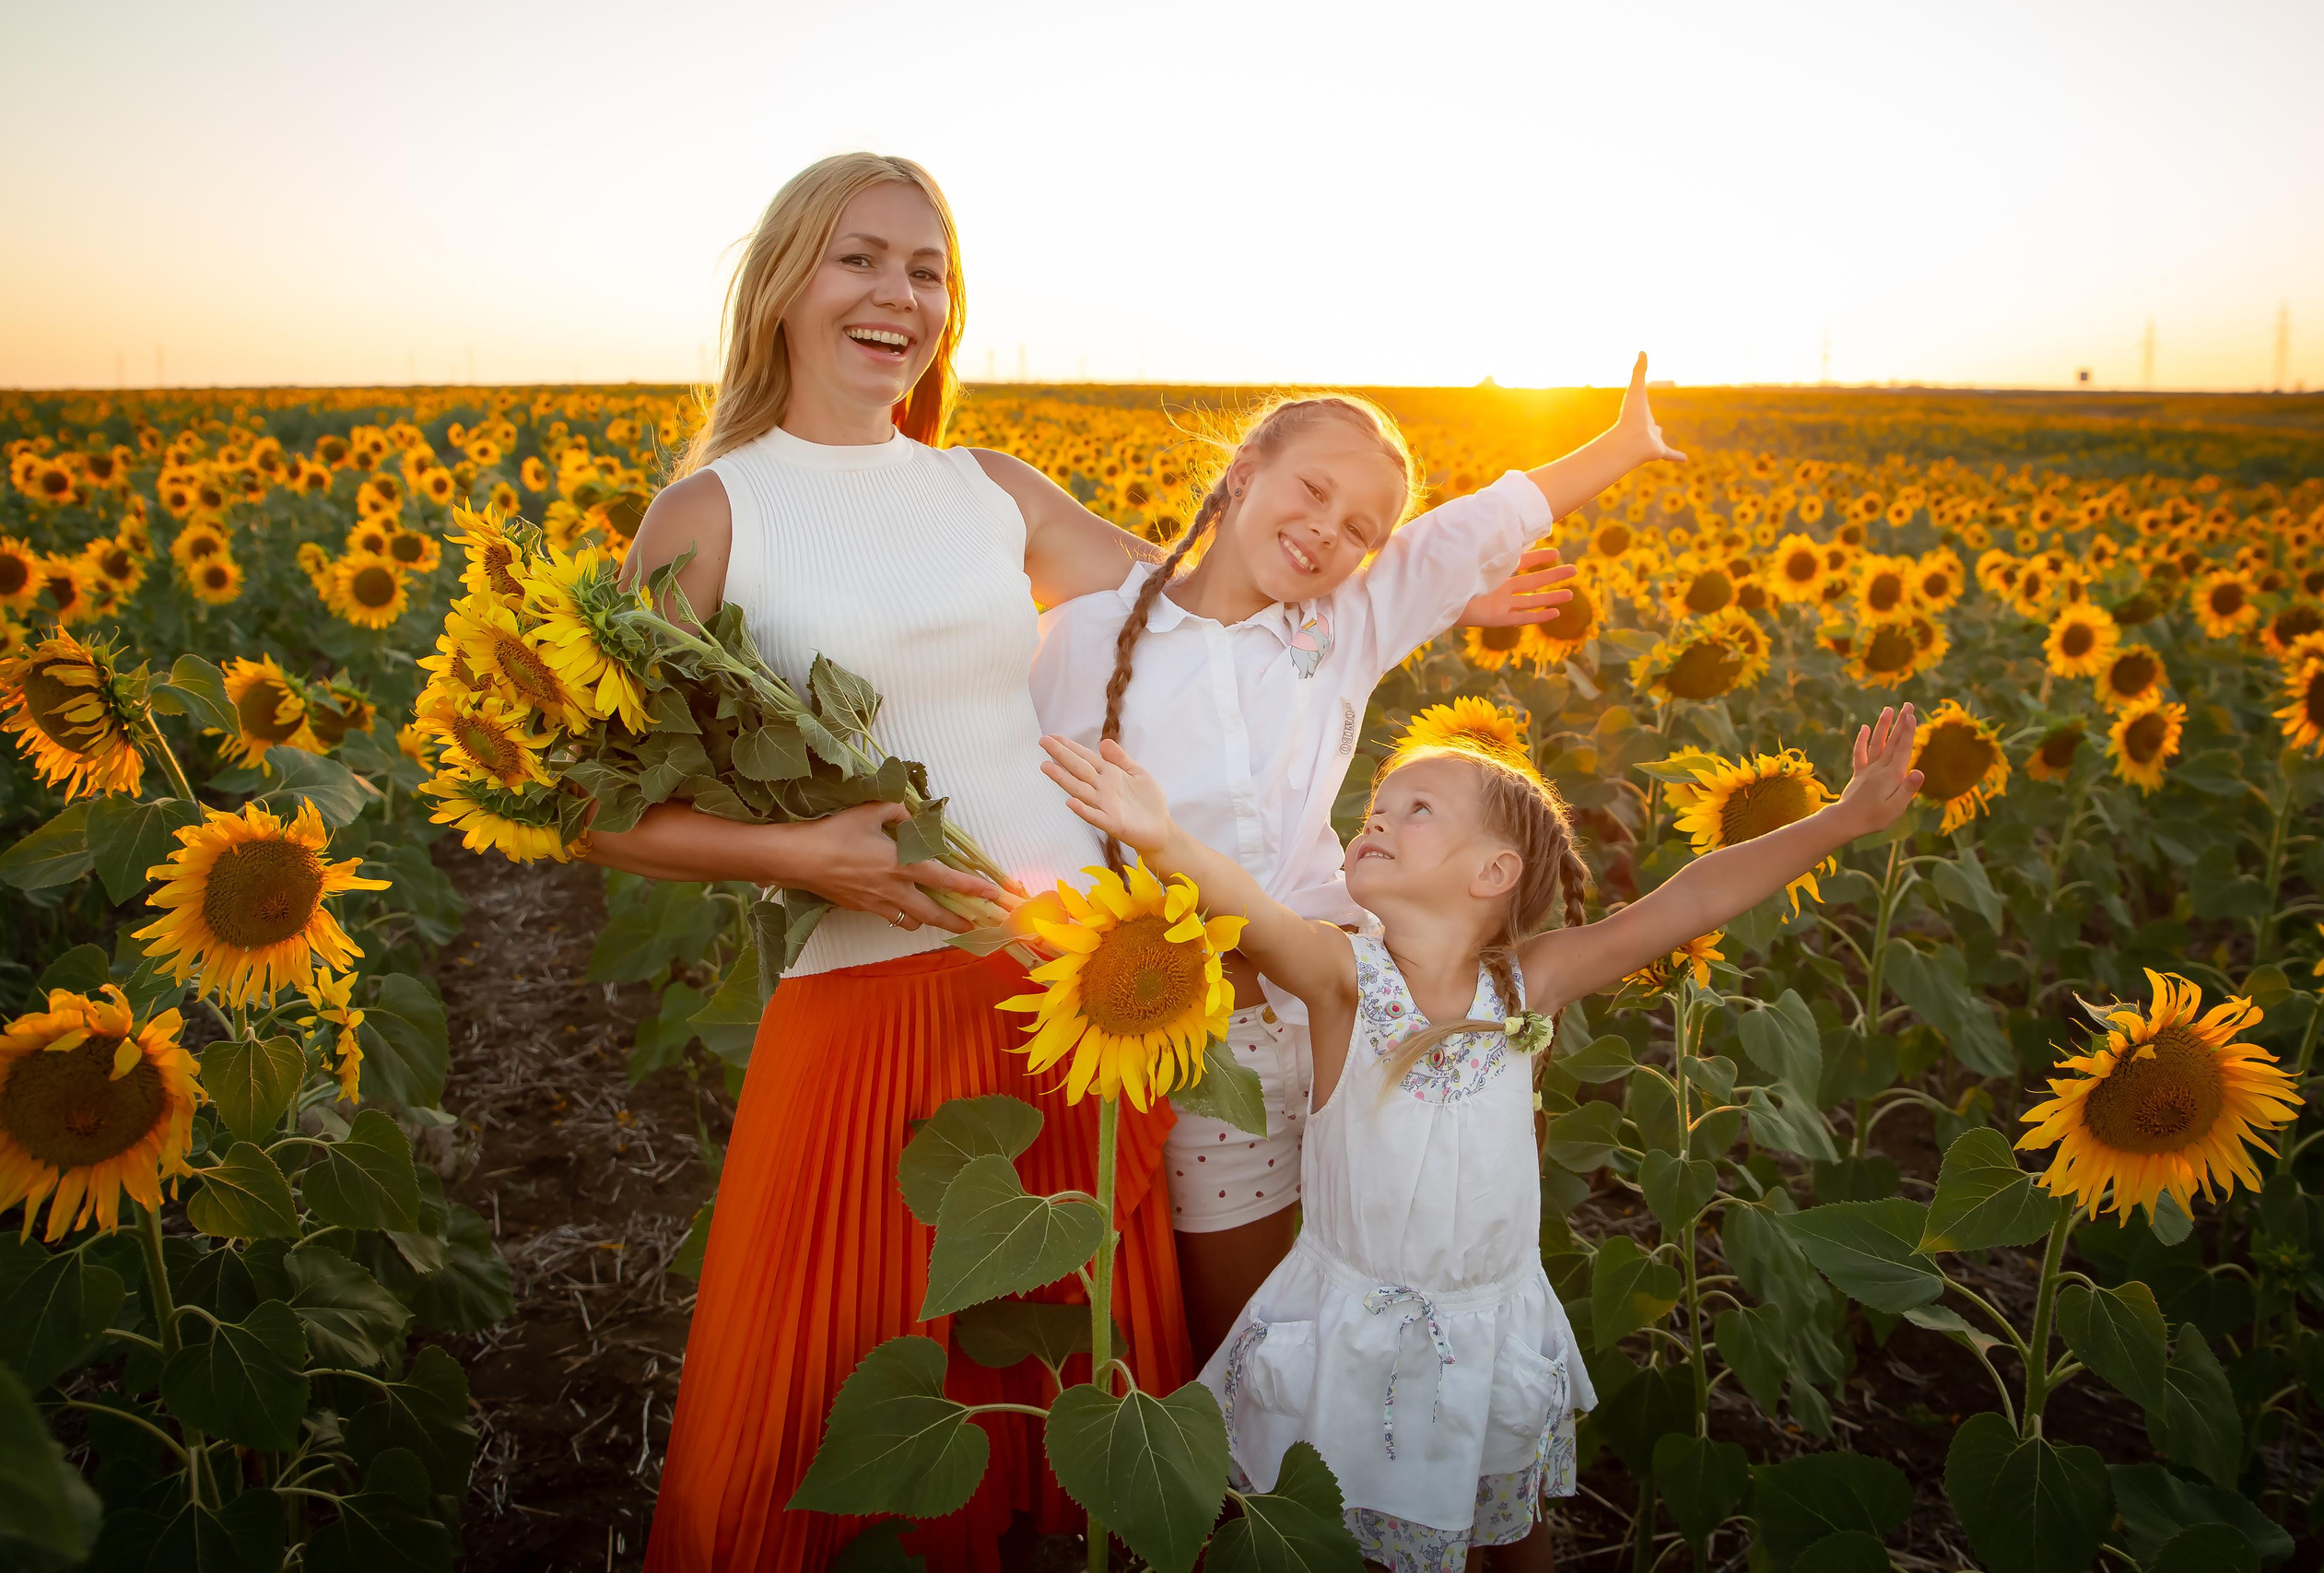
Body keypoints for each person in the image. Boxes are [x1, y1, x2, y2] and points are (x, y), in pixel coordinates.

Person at [597, 151, 1566, 1572]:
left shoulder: (993, 489)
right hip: (874, 991)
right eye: (861, 258)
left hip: (1075, 998)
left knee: (1078, 1387)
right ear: (788, 279)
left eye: (928, 271)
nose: (897, 295)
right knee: (845, 1377)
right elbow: (603, 806)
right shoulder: (711, 513)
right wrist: (801, 850)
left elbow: (1224, 610)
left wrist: (1425, 594)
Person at [1037, 703, 1922, 1571]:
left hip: (1488, 1318)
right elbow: (1256, 917)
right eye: (1375, 806)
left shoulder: (1529, 985)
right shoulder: (1346, 980)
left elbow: (1688, 899)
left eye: (1415, 808)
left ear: (1494, 871)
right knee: (1351, 1530)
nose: (1375, 817)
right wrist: (1160, 838)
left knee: (1507, 1519)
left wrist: (1842, 818)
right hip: (1360, 1337)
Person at [1029, 363, 1682, 1358]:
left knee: (1401, 1285)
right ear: (1244, 469)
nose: (1329, 531)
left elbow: (1461, 536)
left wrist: (1620, 445)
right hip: (1209, 1039)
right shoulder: (1086, 631)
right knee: (1239, 1332)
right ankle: (1253, 1502)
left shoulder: (1343, 630)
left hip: (1362, 1015)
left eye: (1361, 531)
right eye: (1312, 491)